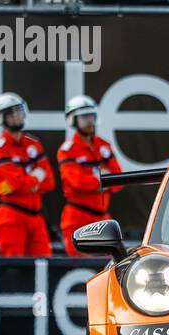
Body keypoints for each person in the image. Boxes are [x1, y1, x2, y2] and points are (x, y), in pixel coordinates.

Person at [0, 93, 55, 257]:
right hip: (12, 216)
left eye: (19, 111)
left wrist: (29, 183)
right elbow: (19, 183)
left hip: (36, 217)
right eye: (11, 113)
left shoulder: (33, 143)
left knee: (45, 264)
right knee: (15, 268)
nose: (17, 116)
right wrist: (36, 176)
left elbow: (50, 182)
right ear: (1, 118)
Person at [58, 95, 123, 256]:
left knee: (106, 267)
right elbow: (77, 183)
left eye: (92, 116)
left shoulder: (104, 145)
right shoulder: (67, 150)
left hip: (102, 218)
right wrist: (102, 180)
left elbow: (118, 181)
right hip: (77, 219)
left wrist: (94, 182)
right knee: (78, 265)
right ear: (73, 120)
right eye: (84, 117)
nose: (90, 121)